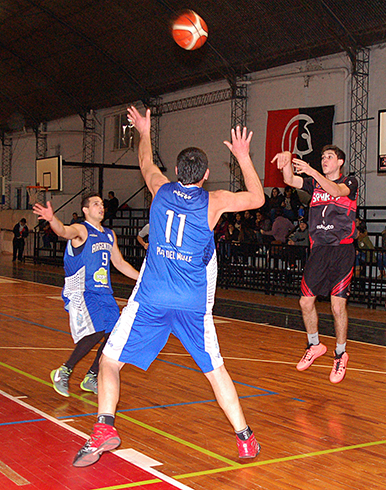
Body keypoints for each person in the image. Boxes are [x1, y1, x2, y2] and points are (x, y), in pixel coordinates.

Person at [72, 106, 265, 468]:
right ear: (206, 175)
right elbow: (257, 198)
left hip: (152, 299)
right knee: (216, 370)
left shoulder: (160, 190)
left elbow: (145, 161)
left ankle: (104, 427)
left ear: (176, 172)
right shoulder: (215, 201)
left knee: (111, 362)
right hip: (192, 303)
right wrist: (242, 157)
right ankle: (245, 439)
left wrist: (144, 131)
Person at [33, 193, 139, 397]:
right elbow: (64, 231)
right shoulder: (82, 230)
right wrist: (52, 219)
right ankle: (64, 370)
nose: (101, 207)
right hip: (83, 290)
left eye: (102, 204)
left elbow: (119, 263)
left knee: (113, 336)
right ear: (85, 210)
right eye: (96, 204)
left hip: (104, 293)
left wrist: (142, 279)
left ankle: (91, 376)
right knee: (96, 330)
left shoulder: (109, 234)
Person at [273, 145, 357, 384]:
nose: (324, 160)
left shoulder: (350, 182)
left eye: (329, 157)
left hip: (342, 249)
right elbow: (289, 179)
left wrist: (311, 171)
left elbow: (337, 191)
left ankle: (340, 354)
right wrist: (287, 160)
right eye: (322, 157)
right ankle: (314, 345)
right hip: (319, 250)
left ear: (340, 162)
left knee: (338, 307)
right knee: (305, 301)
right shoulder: (314, 184)